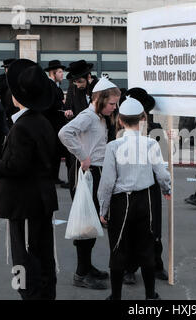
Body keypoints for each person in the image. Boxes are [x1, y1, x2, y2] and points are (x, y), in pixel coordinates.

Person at [0, 59, 59, 299]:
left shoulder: (23, 127)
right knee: (42, 254)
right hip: (38, 201)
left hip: (25, 204)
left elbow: (16, 165)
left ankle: (30, 295)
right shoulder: (41, 122)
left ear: (18, 97)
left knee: (24, 257)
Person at [98, 96, 171, 300]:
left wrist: (103, 208)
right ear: (143, 119)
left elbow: (107, 183)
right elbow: (162, 173)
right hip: (145, 200)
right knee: (146, 247)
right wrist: (167, 188)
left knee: (118, 247)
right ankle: (149, 295)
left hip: (121, 202)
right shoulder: (151, 144)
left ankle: (116, 296)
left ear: (120, 120)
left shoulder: (113, 146)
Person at [59, 76, 120, 290]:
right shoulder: (88, 116)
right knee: (86, 224)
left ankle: (86, 266)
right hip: (88, 173)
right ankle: (81, 273)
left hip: (96, 172)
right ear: (101, 99)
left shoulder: (99, 117)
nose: (114, 107)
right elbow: (65, 133)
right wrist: (82, 155)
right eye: (111, 103)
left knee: (91, 224)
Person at [119, 87, 169, 284]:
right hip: (129, 185)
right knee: (131, 229)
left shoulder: (155, 128)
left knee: (153, 228)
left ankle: (156, 263)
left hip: (151, 185)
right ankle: (129, 268)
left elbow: (162, 158)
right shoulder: (121, 131)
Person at [42, 60, 70, 187]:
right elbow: (50, 105)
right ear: (53, 73)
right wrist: (62, 109)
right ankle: (50, 176)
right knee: (52, 151)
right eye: (59, 72)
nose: (62, 74)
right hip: (51, 124)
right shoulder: (48, 86)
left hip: (56, 124)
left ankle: (54, 176)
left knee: (56, 151)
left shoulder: (55, 86)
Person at [0, 58, 18, 128]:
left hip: (16, 109)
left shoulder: (18, 77)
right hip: (5, 110)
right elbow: (3, 87)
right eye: (6, 68)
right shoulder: (1, 79)